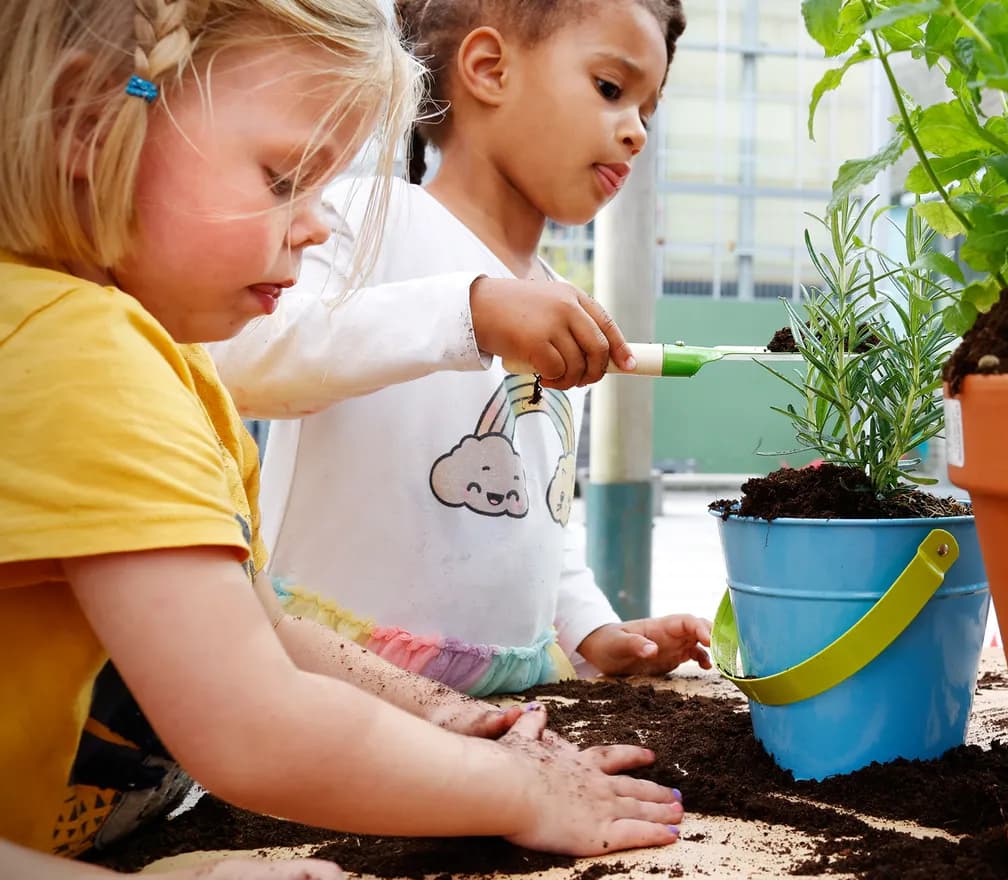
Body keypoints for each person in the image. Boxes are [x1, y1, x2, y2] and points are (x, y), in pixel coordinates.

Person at [0, 1, 682, 876]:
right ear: (90, 126)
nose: (317, 223)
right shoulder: (82, 351)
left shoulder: (135, 355)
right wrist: (523, 791)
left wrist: (438, 714)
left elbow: (259, 626)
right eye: (283, 178)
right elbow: (250, 721)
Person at [207, 0, 711, 701]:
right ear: (488, 69)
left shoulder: (555, 299)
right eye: (610, 89)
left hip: (514, 694)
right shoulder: (368, 216)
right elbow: (249, 358)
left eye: (648, 113)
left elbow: (540, 507)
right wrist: (468, 311)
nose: (636, 134)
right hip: (342, 690)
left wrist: (592, 630)